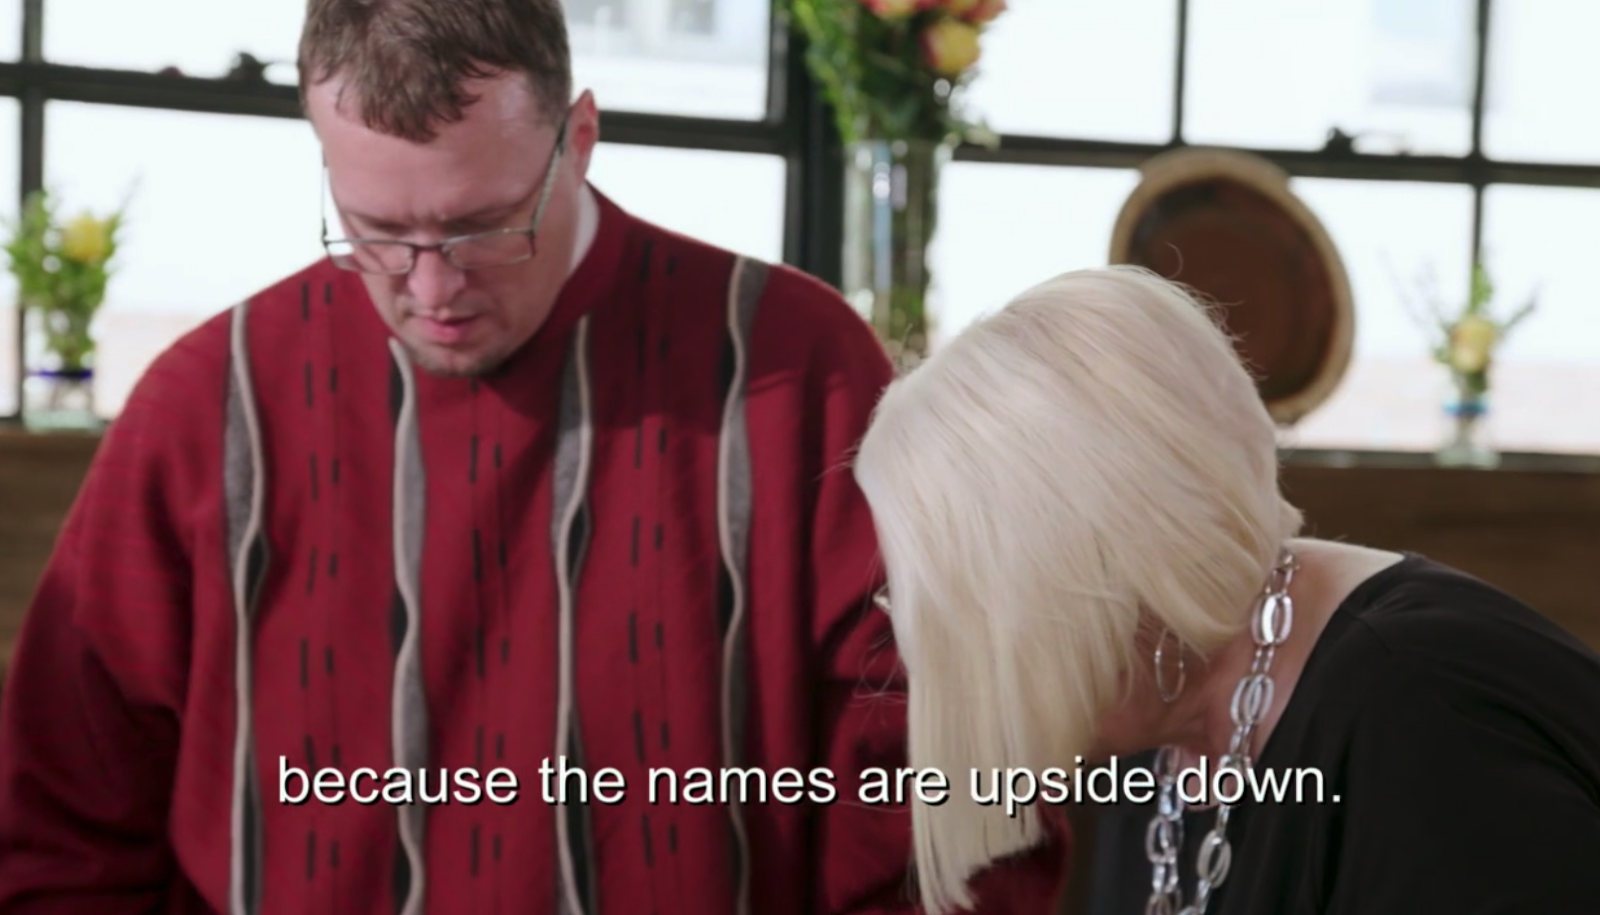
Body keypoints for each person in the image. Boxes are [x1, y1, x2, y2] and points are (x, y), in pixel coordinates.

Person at [0, 2, 1071, 913]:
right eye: (375, 231)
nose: (431, 289)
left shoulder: (794, 366)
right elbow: (60, 822)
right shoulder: (208, 406)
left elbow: (952, 796)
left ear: (580, 137)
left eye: (484, 227)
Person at [850, 265, 1600, 915]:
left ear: (1093, 573)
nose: (941, 652)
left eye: (962, 604)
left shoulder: (1419, 720)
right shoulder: (1162, 715)